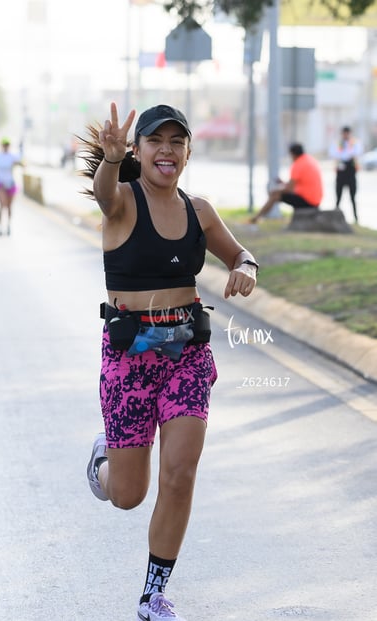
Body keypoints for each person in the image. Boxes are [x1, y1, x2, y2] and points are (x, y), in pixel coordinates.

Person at [81, 102, 259, 621]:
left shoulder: (199, 210)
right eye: (155, 141)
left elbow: (240, 253)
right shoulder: (122, 202)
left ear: (187, 152)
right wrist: (111, 162)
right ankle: (105, 464)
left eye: (176, 142)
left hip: (187, 353)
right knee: (129, 495)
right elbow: (103, 192)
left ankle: (153, 594)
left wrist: (246, 267)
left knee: (179, 474)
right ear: (139, 150)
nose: (166, 151)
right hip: (129, 357)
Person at [249, 143, 323, 224]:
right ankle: (259, 217)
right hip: (316, 200)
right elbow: (298, 185)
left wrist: (276, 190)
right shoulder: (309, 160)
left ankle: (257, 218)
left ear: (292, 154)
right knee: (276, 193)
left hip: (308, 201)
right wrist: (283, 184)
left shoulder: (298, 164)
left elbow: (289, 189)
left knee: (275, 195)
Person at [329, 126, 362, 223]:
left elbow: (357, 152)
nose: (346, 135)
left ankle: (356, 218)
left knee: (353, 197)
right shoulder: (338, 143)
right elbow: (333, 153)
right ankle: (335, 217)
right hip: (341, 172)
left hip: (351, 172)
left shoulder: (355, 143)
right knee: (338, 196)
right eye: (344, 133)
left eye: (347, 133)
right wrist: (346, 155)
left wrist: (347, 155)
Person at [0, 138, 22, 236]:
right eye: (4, 144)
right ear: (2, 145)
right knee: (2, 205)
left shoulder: (13, 156)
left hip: (11, 183)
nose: (6, 146)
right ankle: (0, 227)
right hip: (0, 183)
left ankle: (8, 225)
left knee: (9, 207)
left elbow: (21, 161)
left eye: (7, 144)